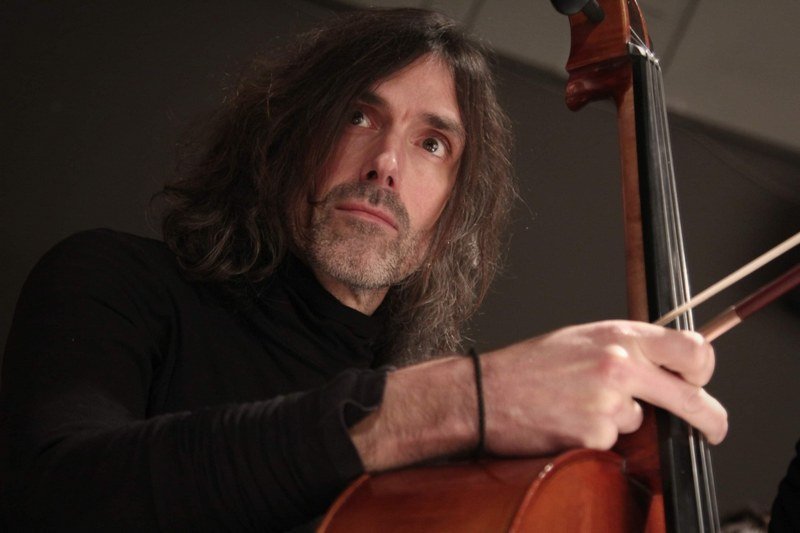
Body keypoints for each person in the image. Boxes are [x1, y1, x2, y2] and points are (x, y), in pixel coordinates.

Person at [0, 8, 728, 532]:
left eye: (432, 144)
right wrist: (447, 404)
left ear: (451, 218)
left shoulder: (471, 460)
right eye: (357, 116)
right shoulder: (115, 282)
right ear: (284, 140)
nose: (385, 164)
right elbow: (54, 495)